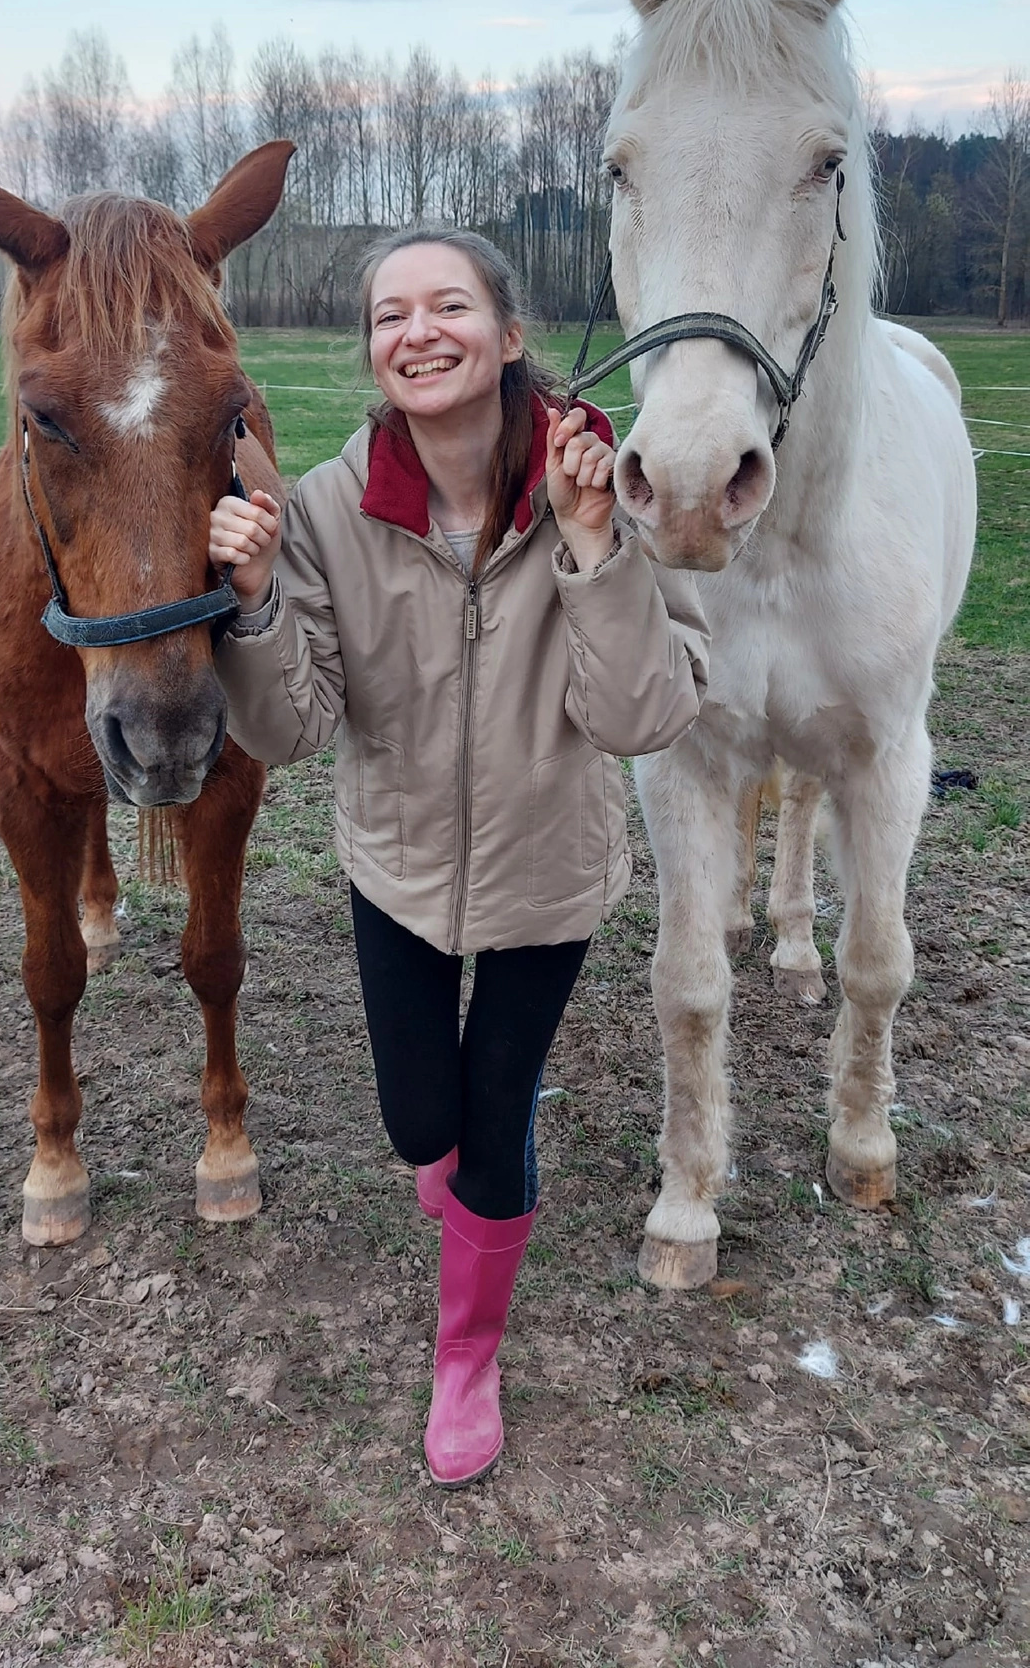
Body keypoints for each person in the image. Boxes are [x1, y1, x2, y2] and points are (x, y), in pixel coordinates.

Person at [209, 229, 709, 1488]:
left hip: (549, 877)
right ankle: (469, 1185)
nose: (417, 332)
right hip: (398, 868)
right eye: (390, 315)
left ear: (509, 333)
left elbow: (642, 718)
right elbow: (290, 728)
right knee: (416, 1121)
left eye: (448, 306)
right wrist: (257, 602)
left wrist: (592, 547)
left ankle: (467, 1351)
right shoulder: (325, 507)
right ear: (372, 350)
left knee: (492, 1127)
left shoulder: (607, 479)